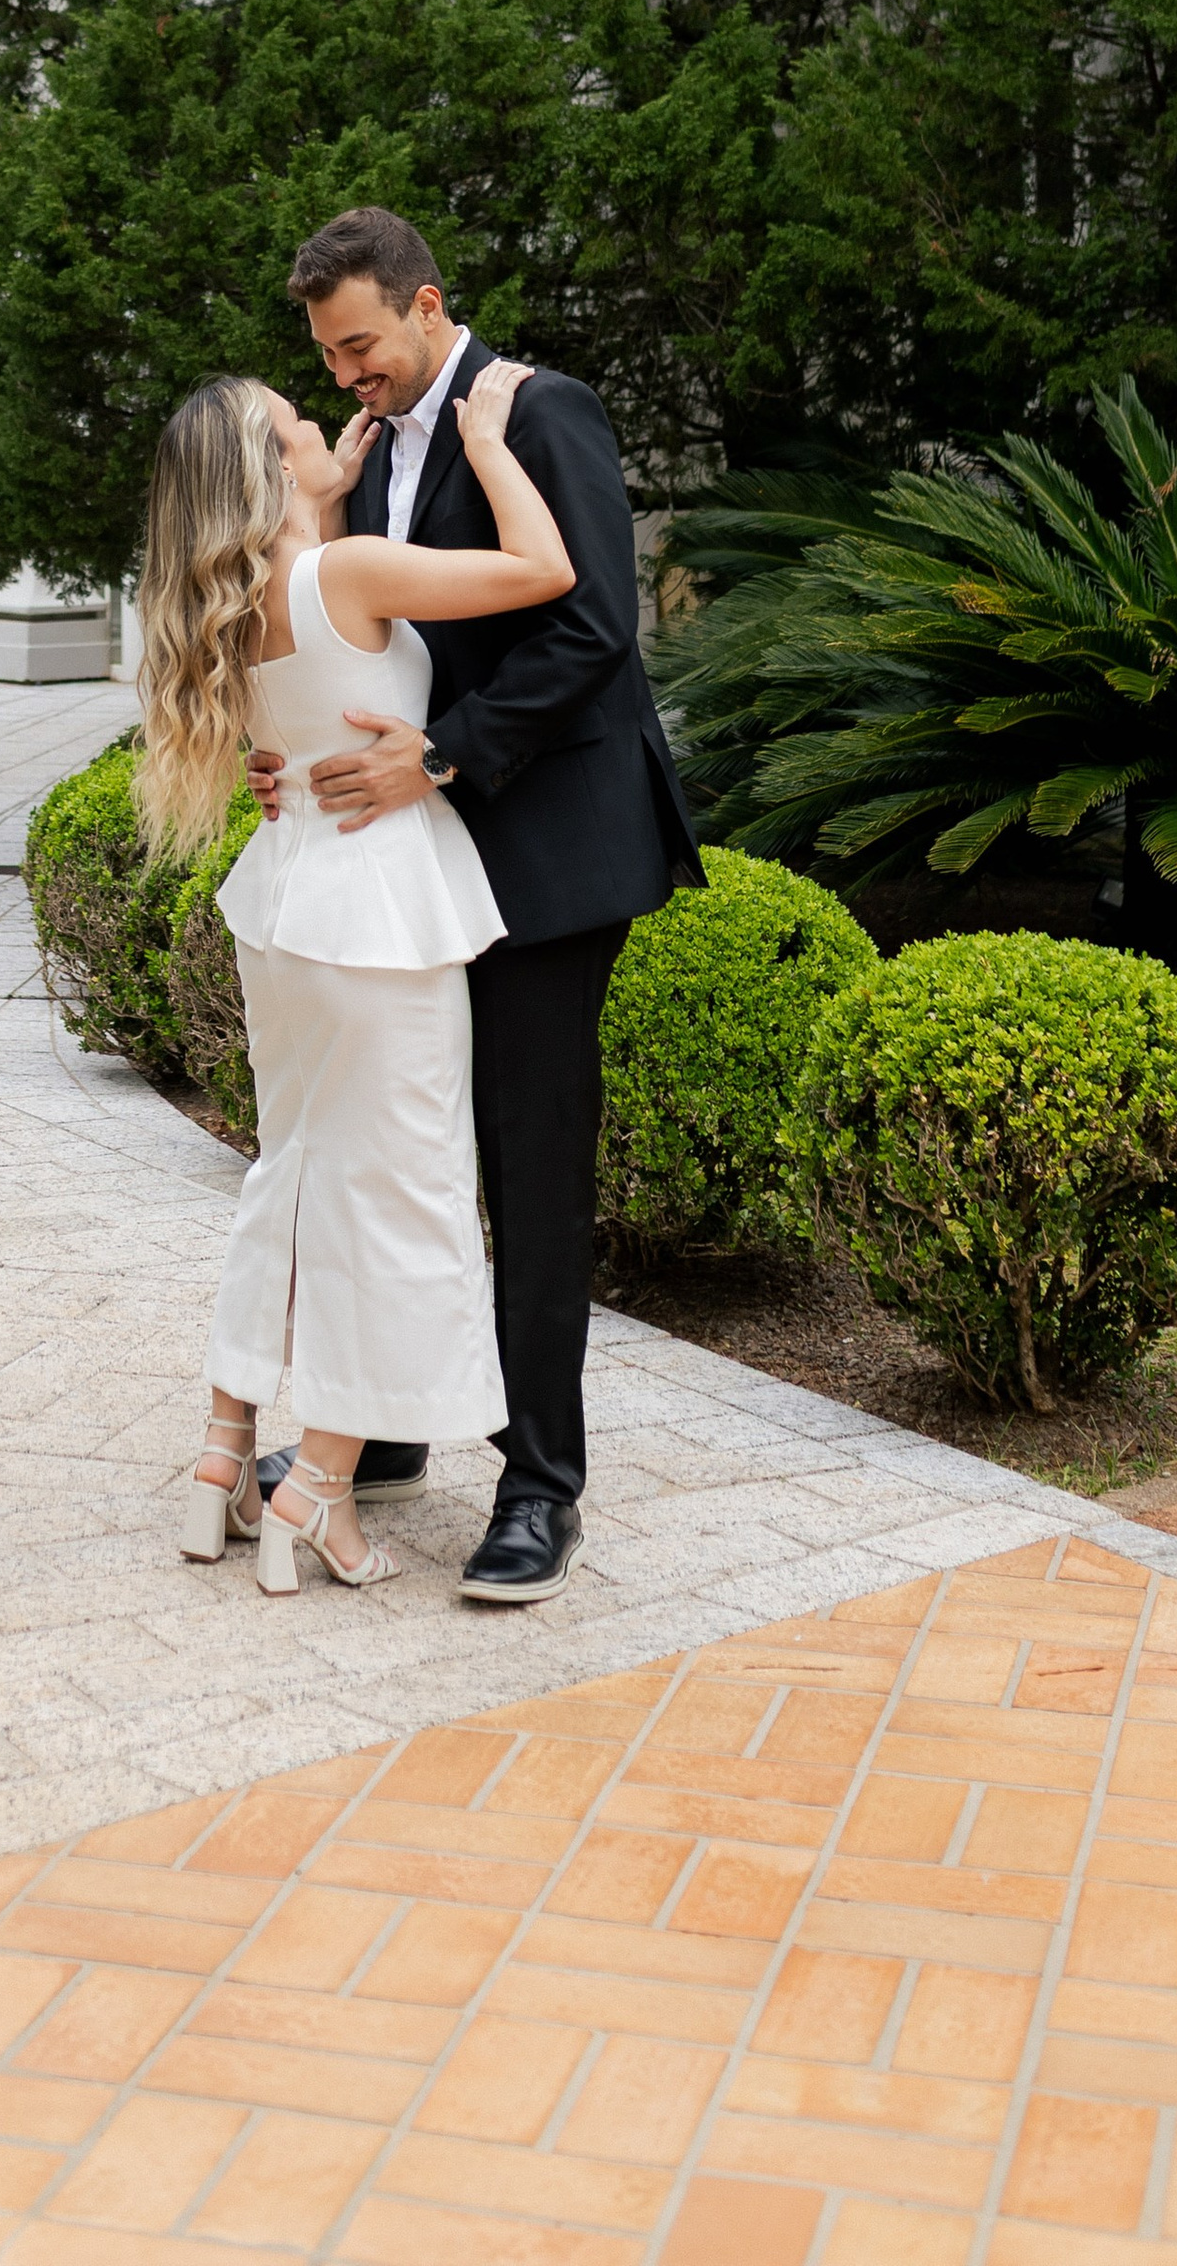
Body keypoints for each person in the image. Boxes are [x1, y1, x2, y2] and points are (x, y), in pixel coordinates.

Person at [252, 208, 703, 1607]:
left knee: (529, 1164)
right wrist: (301, 740)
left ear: (429, 303)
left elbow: (593, 624)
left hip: (549, 852)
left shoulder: (541, 410)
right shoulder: (370, 446)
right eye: (327, 356)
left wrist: (440, 757)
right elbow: (365, 632)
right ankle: (384, 1427)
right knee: (410, 1143)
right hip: (419, 858)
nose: (347, 376)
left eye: (363, 346)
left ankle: (540, 1486)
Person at [136, 359, 576, 1592]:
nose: (323, 422)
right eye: (296, 421)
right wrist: (489, 445)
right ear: (274, 467)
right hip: (378, 916)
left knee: (292, 1178)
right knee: (405, 1195)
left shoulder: (233, 606)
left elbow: (273, 745)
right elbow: (546, 573)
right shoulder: (348, 573)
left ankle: (223, 1455)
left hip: (285, 909)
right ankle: (317, 1488)